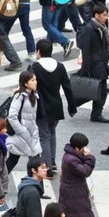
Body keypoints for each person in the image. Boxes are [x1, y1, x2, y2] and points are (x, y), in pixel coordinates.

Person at [30, 39, 78, 175]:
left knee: (44, 136)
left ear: (38, 51)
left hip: (41, 106)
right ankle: (52, 161)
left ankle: (47, 167)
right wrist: (72, 107)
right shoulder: (60, 66)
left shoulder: (35, 67)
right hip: (56, 105)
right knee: (52, 132)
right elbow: (67, 87)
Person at [58, 133, 97, 217]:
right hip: (74, 193)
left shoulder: (70, 155)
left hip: (71, 192)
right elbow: (85, 171)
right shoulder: (72, 159)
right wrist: (89, 157)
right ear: (77, 148)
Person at [78, 3, 109, 123]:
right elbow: (85, 49)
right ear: (97, 15)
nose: (106, 17)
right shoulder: (90, 29)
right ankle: (95, 113)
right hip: (95, 64)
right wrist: (86, 68)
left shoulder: (101, 27)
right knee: (99, 90)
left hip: (101, 61)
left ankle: (96, 113)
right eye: (104, 15)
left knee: (101, 90)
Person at [6, 72, 42, 172]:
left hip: (31, 133)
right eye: (32, 80)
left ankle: (38, 185)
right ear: (25, 83)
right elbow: (12, 116)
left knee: (35, 161)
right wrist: (21, 131)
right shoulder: (19, 96)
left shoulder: (34, 94)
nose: (35, 82)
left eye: (35, 79)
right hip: (21, 134)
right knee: (13, 160)